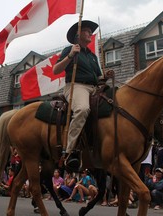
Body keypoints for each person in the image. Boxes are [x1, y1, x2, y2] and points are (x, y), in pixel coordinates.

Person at [53, 20, 103, 169]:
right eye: (87, 30)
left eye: (90, 31)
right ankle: (70, 150)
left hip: (94, 87)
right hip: (77, 86)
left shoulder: (93, 56)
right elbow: (55, 70)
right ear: (78, 34)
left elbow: (99, 77)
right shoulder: (70, 49)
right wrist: (70, 56)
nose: (90, 33)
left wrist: (106, 77)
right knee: (82, 109)